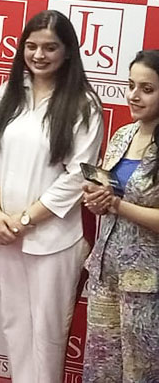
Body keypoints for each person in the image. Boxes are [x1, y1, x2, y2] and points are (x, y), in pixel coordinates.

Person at [0, 10, 103, 383]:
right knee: (15, 324)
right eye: (31, 46)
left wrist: (25, 219)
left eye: (50, 47)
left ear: (67, 51)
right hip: (6, 231)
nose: (38, 55)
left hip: (55, 238)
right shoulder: (8, 93)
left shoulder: (83, 104)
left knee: (48, 333)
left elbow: (79, 175)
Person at [82, 50, 159, 383]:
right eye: (130, 86)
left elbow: (121, 203)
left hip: (149, 284)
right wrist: (96, 198)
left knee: (141, 372)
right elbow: (109, 192)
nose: (134, 96)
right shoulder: (122, 135)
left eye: (147, 89)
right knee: (101, 368)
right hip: (105, 272)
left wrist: (116, 205)